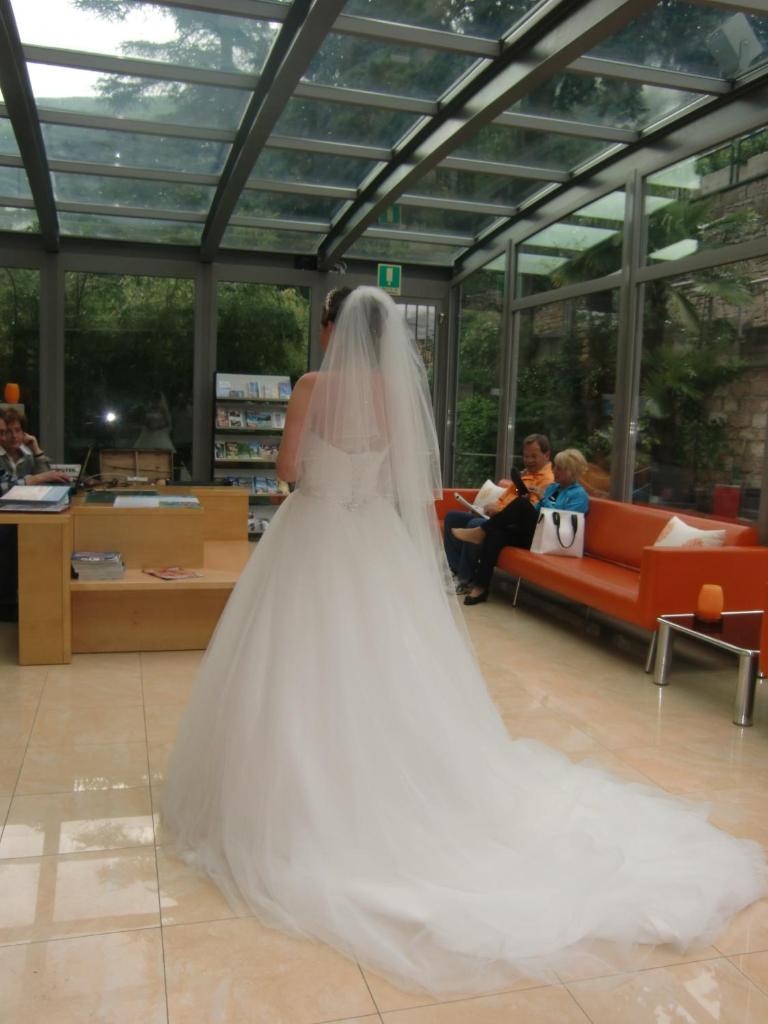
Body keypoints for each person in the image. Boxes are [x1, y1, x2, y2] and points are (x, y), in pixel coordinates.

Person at [161, 287, 764, 998]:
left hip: (316, 532)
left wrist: (311, 469)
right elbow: (399, 479)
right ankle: (387, 782)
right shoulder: (394, 396)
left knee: (298, 665)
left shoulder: (312, 386)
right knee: (387, 667)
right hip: (371, 541)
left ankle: (301, 796)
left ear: (332, 328)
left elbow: (289, 469)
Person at [455, 447, 590, 606]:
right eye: (555, 466)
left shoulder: (579, 495)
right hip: (537, 534)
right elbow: (538, 511)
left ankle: (481, 530)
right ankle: (481, 588)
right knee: (495, 534)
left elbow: (563, 521)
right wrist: (532, 504)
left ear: (571, 471)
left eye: (559, 468)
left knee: (521, 504)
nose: (555, 471)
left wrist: (543, 499)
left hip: (555, 540)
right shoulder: (553, 488)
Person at [443, 434, 553, 593]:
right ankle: (456, 570)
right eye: (526, 456)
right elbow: (506, 497)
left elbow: (531, 511)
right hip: (495, 517)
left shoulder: (548, 482)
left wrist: (499, 511)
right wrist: (489, 506)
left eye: (533, 456)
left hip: (513, 527)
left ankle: (466, 580)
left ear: (546, 455)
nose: (529, 460)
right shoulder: (525, 475)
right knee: (452, 517)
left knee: (475, 524)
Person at [0, 408, 69, 485]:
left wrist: (37, 451)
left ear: (24, 433)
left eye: (18, 430)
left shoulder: (28, 455)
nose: (14, 436)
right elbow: (5, 486)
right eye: (8, 431)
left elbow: (47, 481)